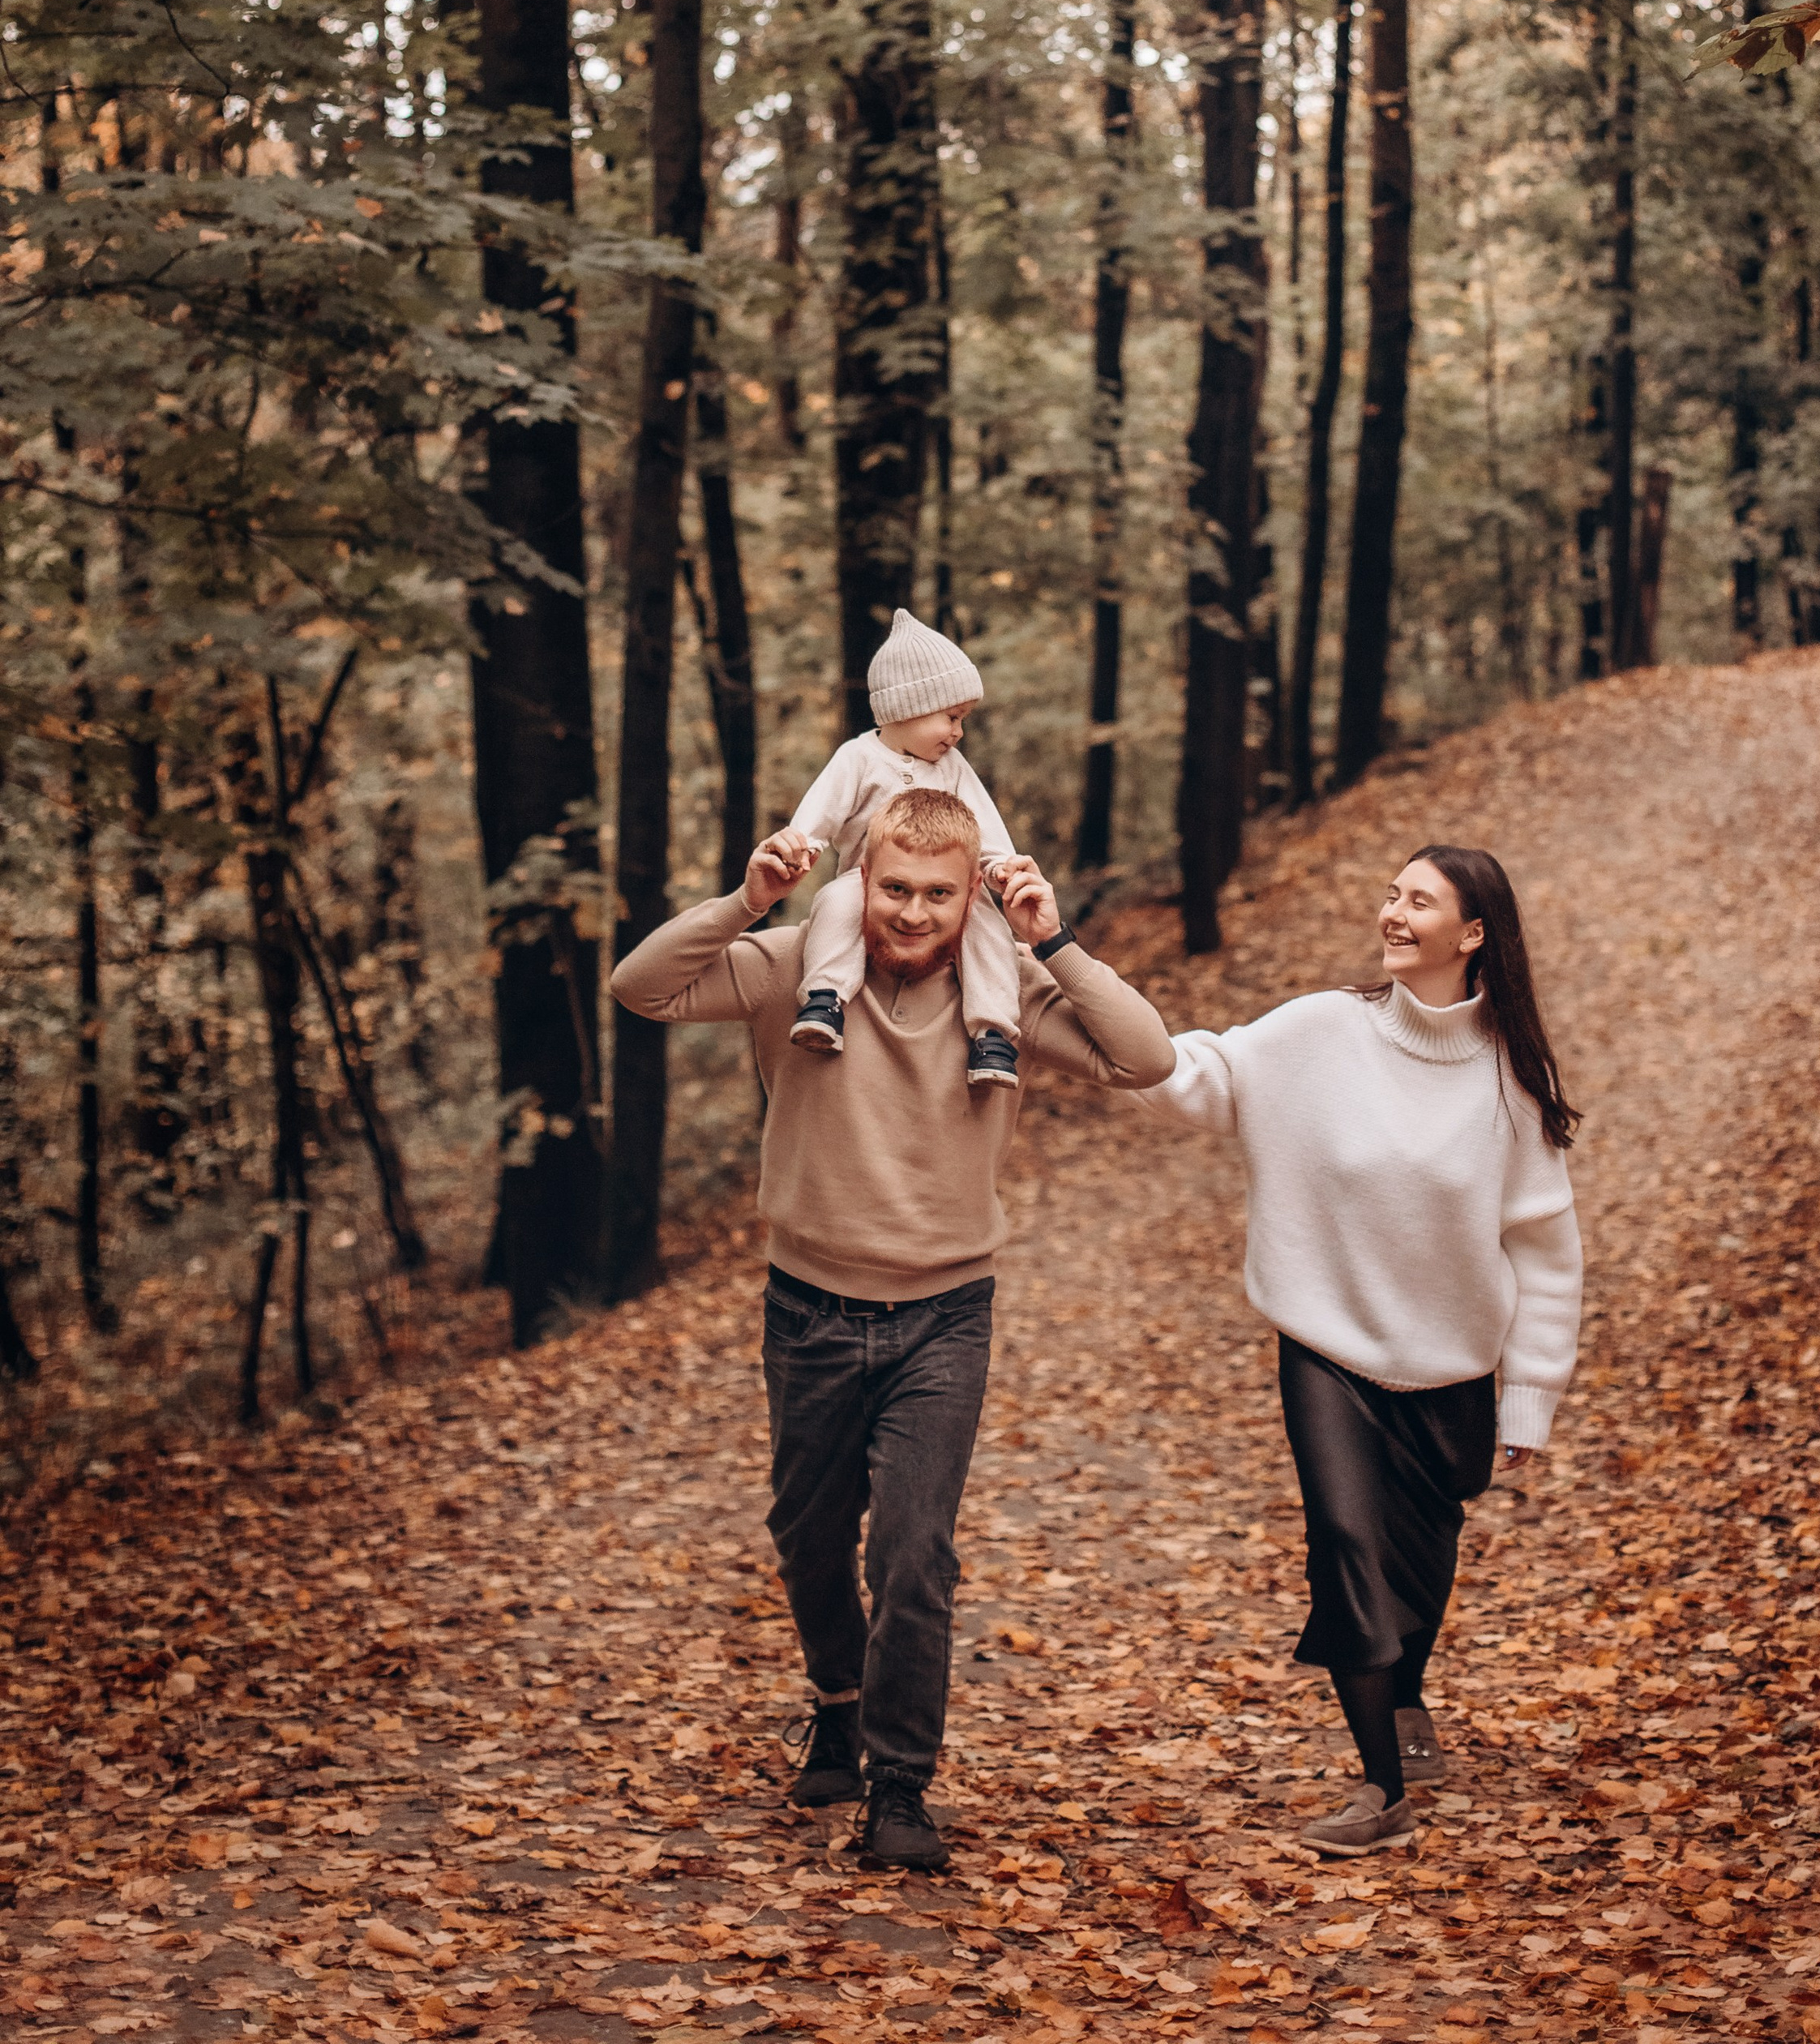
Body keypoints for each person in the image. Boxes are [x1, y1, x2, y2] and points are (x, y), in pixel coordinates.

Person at [610, 784, 1176, 1873]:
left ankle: (900, 1786)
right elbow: (642, 989)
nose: (913, 915)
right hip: (809, 1304)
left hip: (944, 1316)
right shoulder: (792, 969)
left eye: (939, 895)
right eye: (894, 889)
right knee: (809, 1536)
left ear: (973, 899)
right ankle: (838, 1697)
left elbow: (1143, 1058)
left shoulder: (1003, 991)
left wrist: (1053, 939)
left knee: (914, 1553)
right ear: (860, 884)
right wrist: (746, 898)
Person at [1136, 843, 1582, 1854]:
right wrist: (1071, 989)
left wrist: (1530, 1401)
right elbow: (1197, 1077)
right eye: (1390, 893)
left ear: (1471, 934)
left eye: (1417, 901)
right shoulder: (1323, 1029)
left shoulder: (1513, 1078)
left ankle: (1407, 1693)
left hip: (1453, 1369)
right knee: (1344, 1542)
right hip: (1326, 1343)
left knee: (1419, 1572)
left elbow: (1547, 1253)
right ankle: (1379, 1786)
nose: (1391, 913)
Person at [769, 610, 1027, 1091]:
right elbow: (820, 813)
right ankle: (825, 999)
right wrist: (800, 845)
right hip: (871, 884)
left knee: (987, 922)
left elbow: (987, 829)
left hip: (947, 890)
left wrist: (1001, 867)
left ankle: (993, 1033)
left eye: (962, 721)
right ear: (909, 707)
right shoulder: (859, 758)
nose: (958, 733)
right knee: (836, 902)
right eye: (952, 717)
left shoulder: (952, 767)